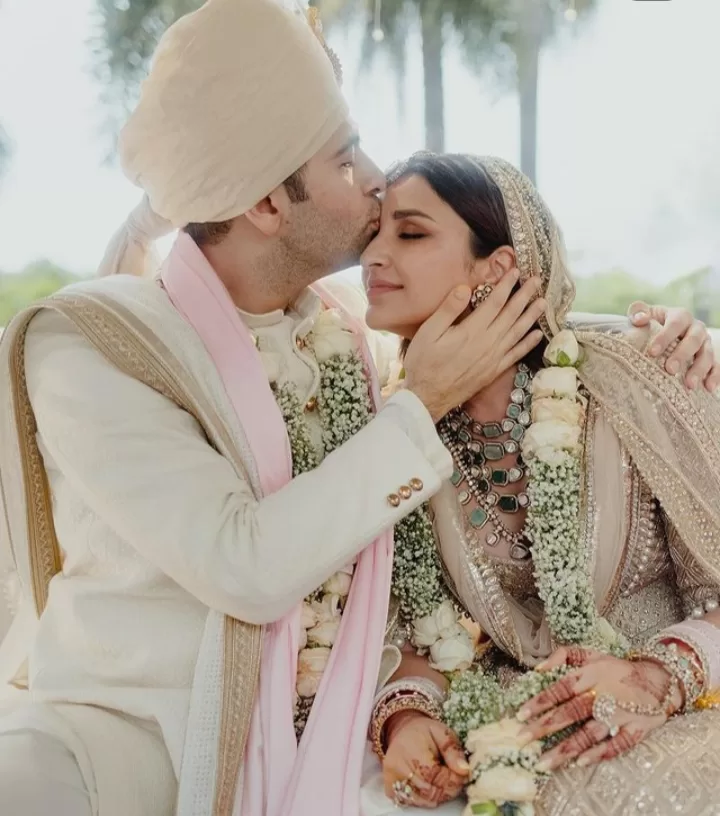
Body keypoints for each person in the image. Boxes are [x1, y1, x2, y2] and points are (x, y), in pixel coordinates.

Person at [0, 0, 714, 813]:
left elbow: (514, 341)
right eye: (346, 160)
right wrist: (406, 715)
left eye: (407, 230)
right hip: (135, 736)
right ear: (268, 206)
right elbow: (256, 563)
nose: (372, 181)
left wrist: (690, 346)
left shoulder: (337, 340)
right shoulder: (96, 348)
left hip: (351, 737)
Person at [358, 152, 720, 815]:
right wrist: (407, 722)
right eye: (372, 234)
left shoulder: (631, 378)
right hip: (518, 719)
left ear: (496, 268)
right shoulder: (400, 434)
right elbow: (419, 631)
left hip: (681, 700)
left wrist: (656, 675)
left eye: (409, 233)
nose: (373, 256)